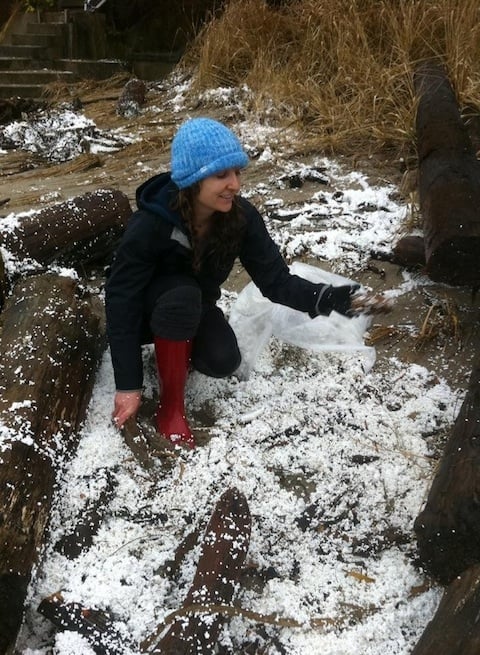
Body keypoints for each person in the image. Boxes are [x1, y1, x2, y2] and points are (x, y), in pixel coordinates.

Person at [105, 117, 359, 449]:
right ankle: (171, 409)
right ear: (193, 180)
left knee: (223, 360)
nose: (235, 184)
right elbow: (120, 297)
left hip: (193, 308)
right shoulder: (150, 224)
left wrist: (327, 298)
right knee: (181, 294)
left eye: (237, 172)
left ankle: (175, 354)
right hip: (144, 316)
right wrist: (128, 384)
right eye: (221, 175)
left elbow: (276, 281)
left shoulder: (240, 218)